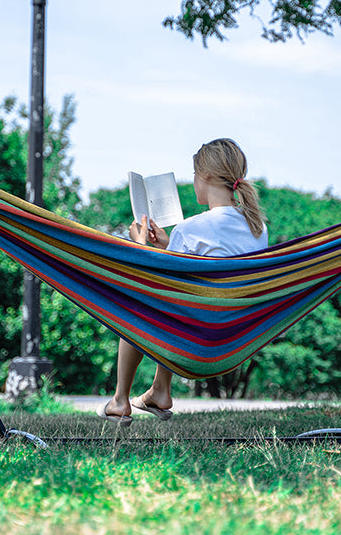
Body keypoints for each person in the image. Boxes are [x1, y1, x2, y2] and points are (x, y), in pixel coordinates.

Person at [96, 138, 268, 426]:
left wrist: (141, 247)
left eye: (194, 175)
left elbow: (160, 284)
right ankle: (159, 390)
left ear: (207, 176)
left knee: (135, 303)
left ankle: (120, 400)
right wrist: (166, 248)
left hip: (193, 333)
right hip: (233, 334)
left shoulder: (191, 228)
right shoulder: (258, 228)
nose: (194, 182)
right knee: (182, 303)